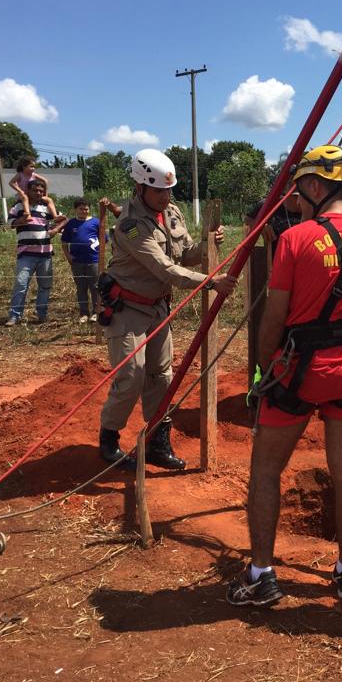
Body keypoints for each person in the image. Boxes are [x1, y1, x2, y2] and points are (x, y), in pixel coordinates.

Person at [226, 146, 342, 607]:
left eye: (299, 189)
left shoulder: (296, 240)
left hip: (297, 371)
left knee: (265, 469)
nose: (295, 198)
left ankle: (261, 573)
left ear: (317, 187)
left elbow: (273, 318)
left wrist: (264, 372)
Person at [97, 148, 235, 471]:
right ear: (140, 187)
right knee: (132, 375)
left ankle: (158, 442)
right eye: (158, 190)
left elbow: (184, 253)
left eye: (168, 189)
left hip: (157, 308)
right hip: (127, 309)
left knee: (161, 377)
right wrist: (212, 282)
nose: (165, 195)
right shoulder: (130, 225)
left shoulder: (171, 213)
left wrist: (208, 245)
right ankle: (109, 442)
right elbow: (165, 269)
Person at [5, 180, 65, 326]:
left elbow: (63, 219)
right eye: (35, 190)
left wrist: (55, 230)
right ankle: (14, 316)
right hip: (25, 254)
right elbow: (9, 223)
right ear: (28, 191)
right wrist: (22, 220)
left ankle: (42, 314)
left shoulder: (46, 208)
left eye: (41, 190)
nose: (38, 193)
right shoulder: (19, 206)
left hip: (45, 255)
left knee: (44, 286)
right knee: (21, 284)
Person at [61, 199, 103, 323]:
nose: (84, 211)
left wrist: (99, 254)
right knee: (81, 287)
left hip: (93, 260)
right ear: (76, 210)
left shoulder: (96, 222)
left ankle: (96, 312)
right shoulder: (71, 224)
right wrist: (68, 255)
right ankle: (84, 313)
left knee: (95, 287)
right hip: (77, 261)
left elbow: (103, 239)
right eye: (81, 209)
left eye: (86, 209)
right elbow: (64, 241)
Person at [244, 191, 302, 256]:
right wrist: (260, 226)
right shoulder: (267, 205)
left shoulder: (313, 209)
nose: (298, 201)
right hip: (274, 260)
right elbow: (248, 219)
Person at [9, 156, 63, 224]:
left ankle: (55, 216)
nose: (33, 169)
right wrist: (20, 191)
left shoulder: (33, 175)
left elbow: (45, 181)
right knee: (25, 197)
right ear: (24, 167)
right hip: (23, 195)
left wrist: (45, 194)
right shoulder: (20, 175)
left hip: (34, 195)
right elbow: (11, 183)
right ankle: (27, 214)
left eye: (34, 167)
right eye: (31, 166)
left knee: (49, 200)